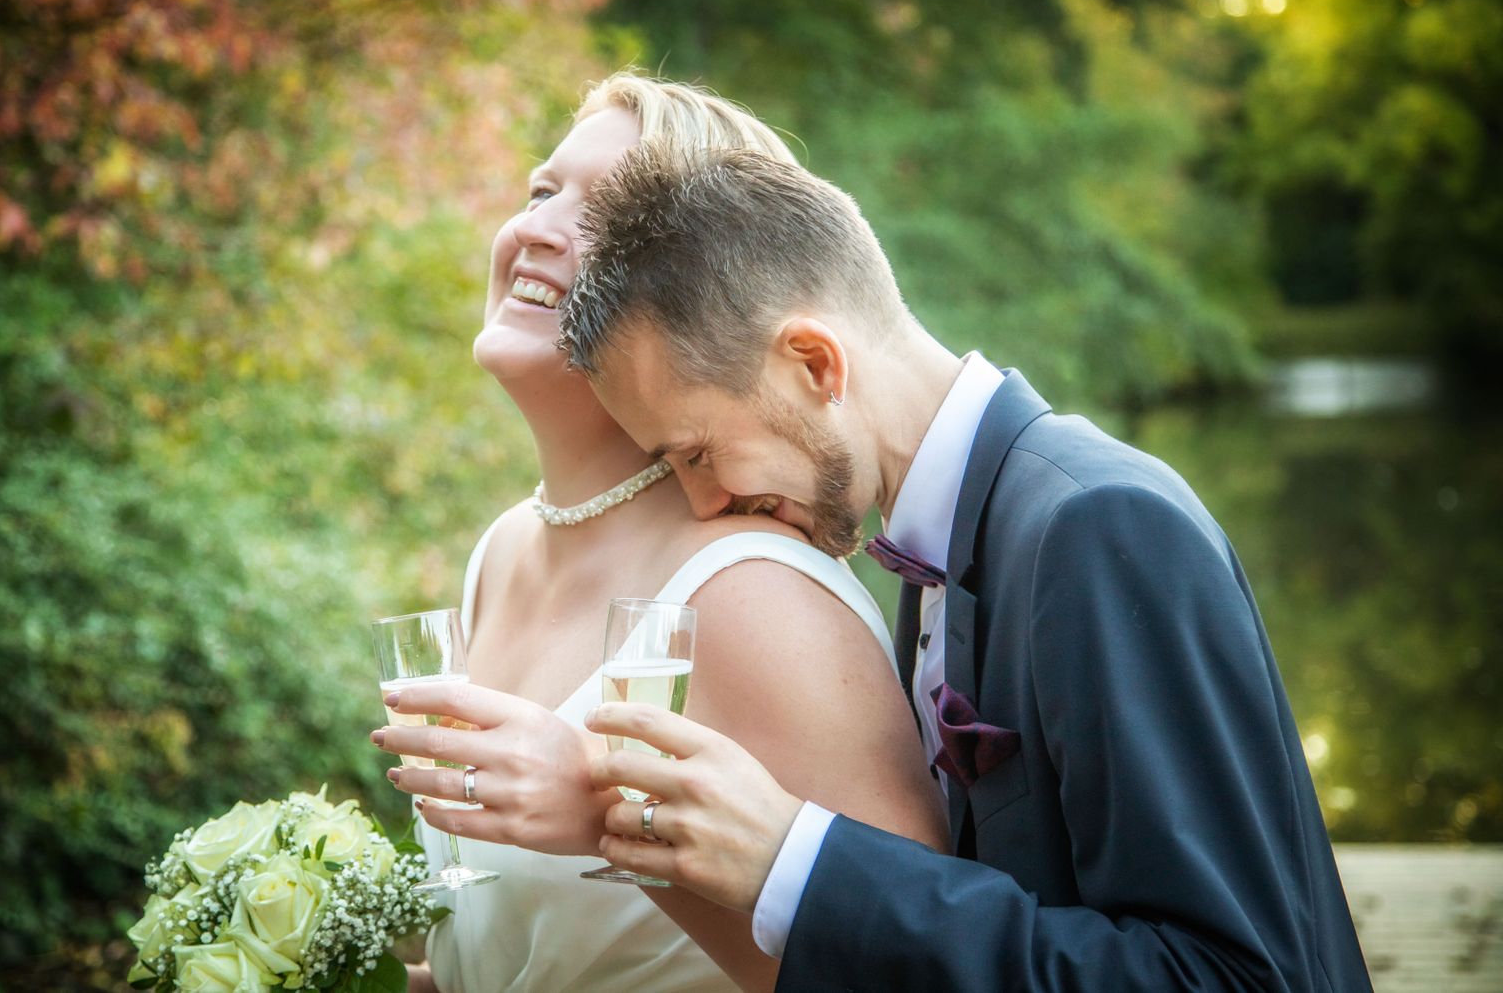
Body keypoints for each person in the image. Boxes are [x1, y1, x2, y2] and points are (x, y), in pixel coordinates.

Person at [557, 143, 1375, 991]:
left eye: (696, 452)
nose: (702, 504)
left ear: (814, 363)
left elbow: (1229, 975)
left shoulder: (1095, 524)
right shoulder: (940, 555)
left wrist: (794, 859)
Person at [369, 76, 945, 993]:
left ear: (696, 288)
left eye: (600, 216)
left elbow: (907, 965)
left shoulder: (751, 593)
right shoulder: (506, 548)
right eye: (541, 191)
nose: (539, 229)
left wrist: (608, 812)